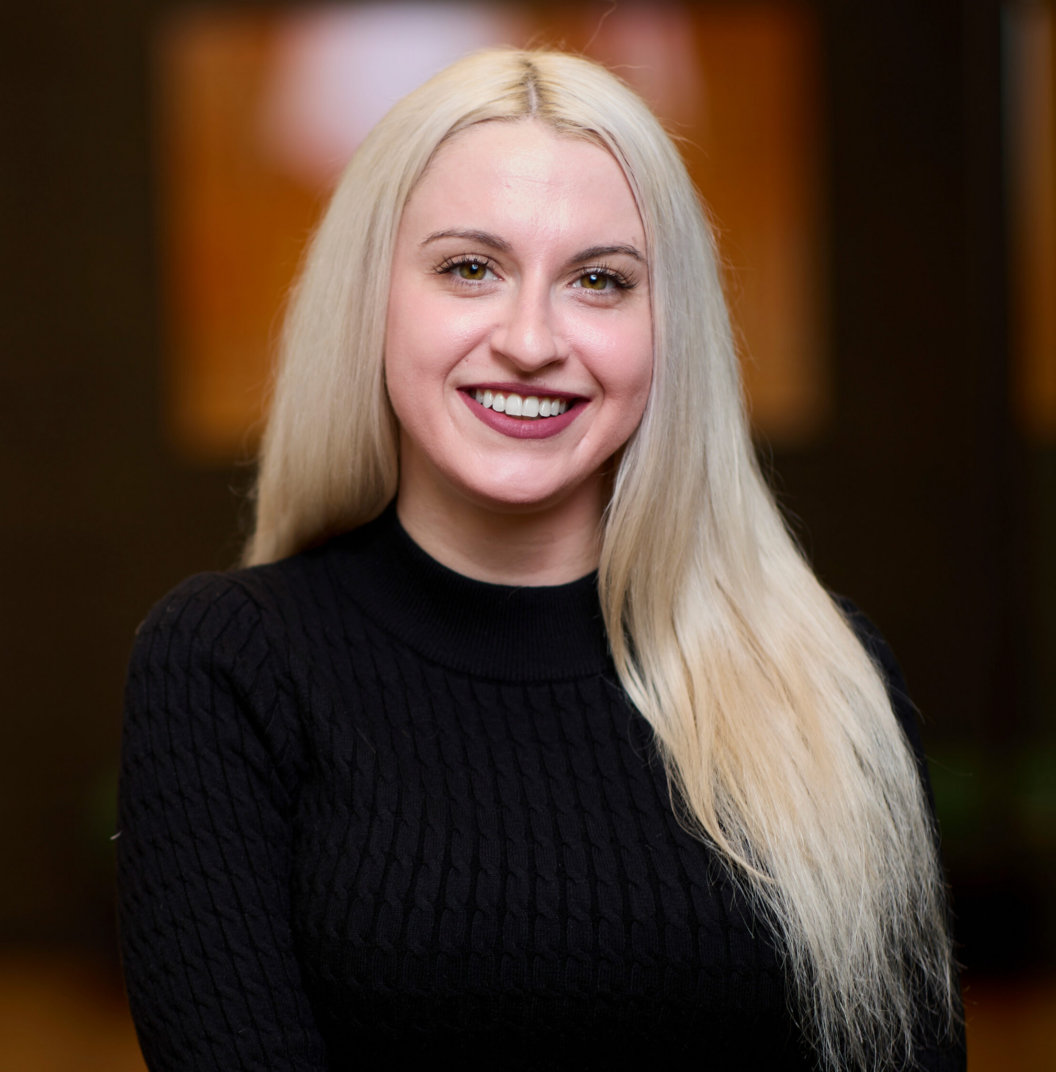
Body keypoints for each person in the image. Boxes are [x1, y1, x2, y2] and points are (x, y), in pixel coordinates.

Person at [117, 48, 965, 1071]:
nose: (530, 339)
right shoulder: (228, 668)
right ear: (374, 300)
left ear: (667, 331)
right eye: (469, 267)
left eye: (600, 281)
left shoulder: (825, 678)